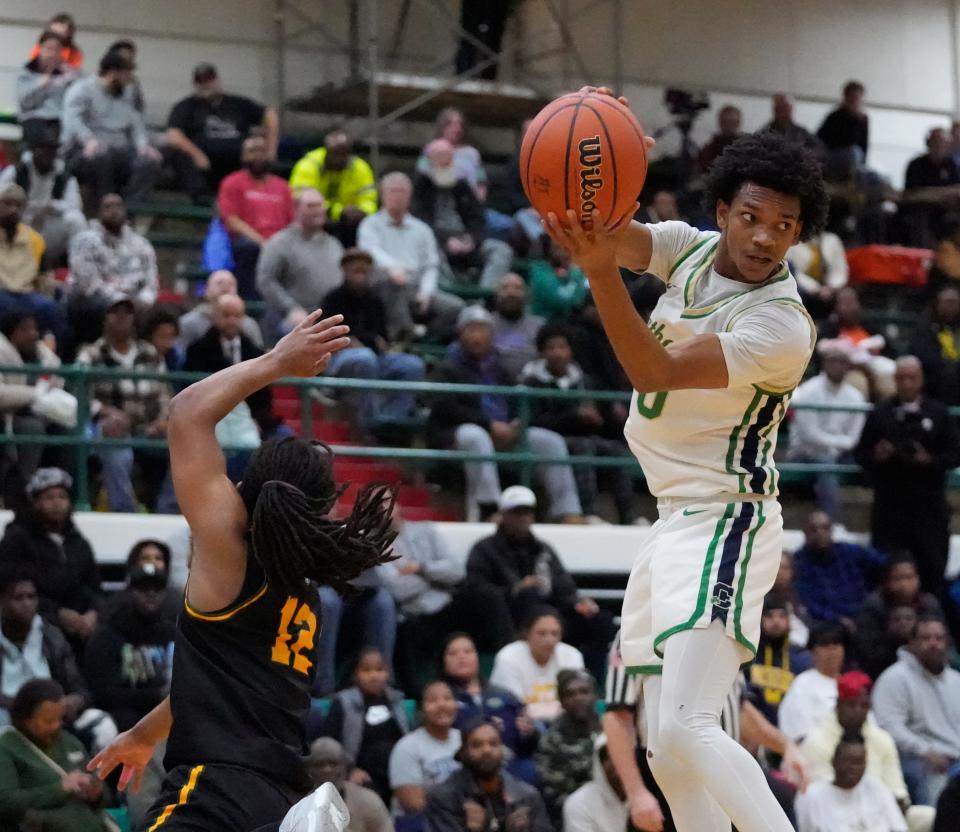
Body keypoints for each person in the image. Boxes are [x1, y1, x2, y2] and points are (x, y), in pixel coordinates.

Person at [544, 104, 828, 829]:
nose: (767, 237)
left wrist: (601, 276)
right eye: (753, 216)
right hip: (674, 520)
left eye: (786, 226)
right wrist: (601, 172)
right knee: (666, 745)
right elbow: (605, 233)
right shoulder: (691, 249)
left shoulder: (780, 324)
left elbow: (655, 371)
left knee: (690, 726)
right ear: (723, 210)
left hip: (727, 516)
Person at [87, 309, 398, 830]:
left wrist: (276, 362)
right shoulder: (306, 595)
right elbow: (213, 684)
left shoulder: (228, 549)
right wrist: (145, 735)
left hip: (212, 789)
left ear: (247, 490)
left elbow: (186, 413)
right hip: (276, 797)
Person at [428, 308, 583, 522]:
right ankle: (489, 508)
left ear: (491, 335)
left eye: (482, 330)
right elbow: (445, 409)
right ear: (461, 334)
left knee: (550, 442)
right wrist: (488, 424)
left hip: (504, 432)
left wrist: (517, 422)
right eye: (471, 330)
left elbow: (518, 401)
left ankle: (567, 510)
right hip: (460, 434)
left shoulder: (501, 367)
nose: (476, 336)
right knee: (476, 436)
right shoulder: (448, 367)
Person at [465, 488, 611, 673]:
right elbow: (476, 590)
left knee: (600, 619)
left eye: (526, 512)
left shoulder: (544, 550)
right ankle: (518, 662)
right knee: (528, 594)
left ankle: (591, 680)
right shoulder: (484, 550)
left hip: (551, 616)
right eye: (516, 512)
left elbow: (564, 586)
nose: (523, 518)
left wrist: (579, 603)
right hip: (508, 618)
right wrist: (515, 590)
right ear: (503, 515)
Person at [855, 356, 960, 600]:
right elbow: (861, 455)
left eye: (912, 377)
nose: (907, 383)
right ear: (895, 380)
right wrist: (877, 455)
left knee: (932, 570)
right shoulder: (880, 413)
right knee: (887, 568)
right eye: (901, 378)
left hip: (929, 508)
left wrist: (928, 460)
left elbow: (953, 455)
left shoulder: (938, 413)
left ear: (921, 380)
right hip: (890, 507)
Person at [382, 505, 515, 691]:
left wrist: (422, 569)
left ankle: (510, 658)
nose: (383, 508)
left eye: (387, 501)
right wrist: (436, 580)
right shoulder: (371, 543)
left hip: (446, 606)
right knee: (405, 629)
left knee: (488, 596)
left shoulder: (426, 530)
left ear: (397, 506)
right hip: (415, 614)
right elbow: (395, 588)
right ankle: (418, 696)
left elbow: (457, 571)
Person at [520, 322, 636, 524]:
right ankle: (588, 512)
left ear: (571, 350)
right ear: (541, 352)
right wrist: (574, 417)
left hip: (587, 436)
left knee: (616, 450)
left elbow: (605, 416)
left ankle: (629, 517)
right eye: (551, 347)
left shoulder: (585, 381)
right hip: (553, 441)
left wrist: (606, 416)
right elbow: (534, 420)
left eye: (562, 347)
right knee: (583, 448)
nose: (557, 353)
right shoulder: (531, 382)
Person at [801, 671, 936, 832]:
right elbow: (825, 794)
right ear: (838, 703)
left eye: (864, 705)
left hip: (881, 813)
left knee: (931, 815)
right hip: (834, 818)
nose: (857, 711)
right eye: (851, 704)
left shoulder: (882, 740)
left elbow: (898, 792)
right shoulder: (816, 741)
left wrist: (890, 806)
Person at [76, 298, 175, 514]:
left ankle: (168, 509)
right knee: (116, 444)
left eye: (127, 313)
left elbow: (164, 392)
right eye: (115, 312)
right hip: (111, 426)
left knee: (185, 440)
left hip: (149, 426)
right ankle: (125, 511)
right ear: (104, 318)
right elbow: (80, 396)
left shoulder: (149, 352)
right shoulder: (91, 353)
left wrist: (162, 418)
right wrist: (105, 412)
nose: (121, 318)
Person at [319, 248, 426, 433]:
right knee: (364, 357)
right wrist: (350, 340)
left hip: (374, 355)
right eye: (356, 271)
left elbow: (381, 336)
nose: (361, 276)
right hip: (339, 358)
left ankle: (391, 422)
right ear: (345, 271)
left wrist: (383, 343)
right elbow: (327, 335)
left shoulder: (375, 300)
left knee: (412, 365)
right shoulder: (332, 299)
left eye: (365, 272)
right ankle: (367, 421)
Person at [358, 171, 465, 341]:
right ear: (383, 195)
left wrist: (426, 292)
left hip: (416, 286)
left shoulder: (422, 229)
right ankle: (403, 338)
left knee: (456, 307)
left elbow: (431, 265)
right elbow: (371, 252)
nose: (398, 196)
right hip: (383, 284)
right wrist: (392, 267)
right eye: (393, 191)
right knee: (394, 284)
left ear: (410, 195)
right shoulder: (369, 225)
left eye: (402, 191)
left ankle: (425, 340)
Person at [0, 469, 99, 643]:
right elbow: (12, 589)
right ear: (35, 503)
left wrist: (93, 613)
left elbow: (95, 588)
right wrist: (58, 614)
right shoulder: (17, 539)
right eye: (49, 498)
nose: (56, 503)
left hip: (82, 631)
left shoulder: (78, 542)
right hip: (35, 631)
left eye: (62, 497)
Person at [872, 616, 960, 806]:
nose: (933, 644)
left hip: (956, 758)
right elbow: (888, 727)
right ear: (912, 643)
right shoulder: (894, 678)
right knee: (931, 775)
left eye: (939, 638)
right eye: (926, 638)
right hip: (918, 760)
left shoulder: (956, 680)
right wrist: (925, 750)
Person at [0, 679, 107, 832]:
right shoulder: (6, 747)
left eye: (60, 719)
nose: (56, 725)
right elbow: (5, 802)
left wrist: (96, 793)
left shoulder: (69, 741)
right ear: (26, 719)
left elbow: (103, 796)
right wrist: (59, 789)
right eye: (48, 721)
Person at [62, 50, 161, 211]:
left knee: (150, 161)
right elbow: (72, 120)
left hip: (119, 149)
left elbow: (136, 123)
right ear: (113, 73)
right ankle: (105, 207)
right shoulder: (82, 89)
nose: (130, 78)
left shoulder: (128, 93)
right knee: (101, 157)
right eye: (126, 72)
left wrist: (143, 146)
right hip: (86, 149)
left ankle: (130, 210)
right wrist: (88, 139)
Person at [83, 561, 175, 733]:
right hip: (123, 717)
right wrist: (154, 696)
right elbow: (103, 693)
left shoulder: (173, 634)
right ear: (129, 592)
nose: (151, 594)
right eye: (143, 588)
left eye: (157, 588)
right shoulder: (107, 636)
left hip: (167, 714)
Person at [166, 62, 279, 198]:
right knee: (178, 154)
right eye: (200, 81)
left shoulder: (238, 103)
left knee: (256, 151)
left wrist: (271, 150)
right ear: (194, 84)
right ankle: (201, 200)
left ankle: (257, 196)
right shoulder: (185, 106)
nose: (205, 85)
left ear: (217, 81)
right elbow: (173, 135)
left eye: (209, 80)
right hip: (205, 162)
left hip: (238, 159)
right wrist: (197, 155)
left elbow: (270, 115)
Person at [412, 139, 512, 290]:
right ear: (430, 159)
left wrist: (471, 239)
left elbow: (477, 218)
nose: (445, 161)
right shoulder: (420, 186)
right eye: (440, 156)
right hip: (437, 242)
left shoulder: (461, 184)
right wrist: (446, 240)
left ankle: (484, 296)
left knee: (501, 250)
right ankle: (453, 295)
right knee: (432, 255)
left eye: (449, 156)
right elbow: (420, 221)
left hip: (466, 241)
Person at [440, 633, 539, 783]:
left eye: (468, 652)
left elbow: (528, 745)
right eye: (453, 653)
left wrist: (529, 733)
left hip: (511, 762)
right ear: (443, 662)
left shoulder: (504, 695)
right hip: (465, 766)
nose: (462, 657)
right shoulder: (441, 699)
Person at [424, 719, 551, 832]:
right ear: (462, 753)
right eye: (477, 745)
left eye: (493, 744)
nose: (487, 750)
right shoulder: (442, 799)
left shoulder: (527, 796)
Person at [184, 293, 281, 440]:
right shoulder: (197, 351)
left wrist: (256, 420)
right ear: (214, 316)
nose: (231, 321)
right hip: (209, 418)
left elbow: (263, 396)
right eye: (226, 315)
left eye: (237, 316)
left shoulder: (255, 352)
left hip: (251, 418)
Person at [66, 192, 158, 346]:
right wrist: (122, 301)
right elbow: (89, 285)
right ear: (99, 212)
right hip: (94, 300)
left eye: (118, 206)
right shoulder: (84, 241)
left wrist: (143, 301)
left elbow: (151, 282)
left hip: (133, 301)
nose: (114, 210)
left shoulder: (141, 244)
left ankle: (147, 359)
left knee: (161, 314)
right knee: (107, 309)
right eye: (108, 206)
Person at [0, 571, 91, 725]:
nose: (27, 604)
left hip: (54, 713)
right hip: (7, 714)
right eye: (19, 598)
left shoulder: (52, 637)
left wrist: (75, 700)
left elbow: (78, 687)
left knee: (101, 724)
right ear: (2, 601)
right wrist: (26, 708)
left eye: (31, 597)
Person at [786, 342, 865, 519]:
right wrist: (835, 446)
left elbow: (853, 439)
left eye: (842, 361)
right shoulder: (808, 391)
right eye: (833, 361)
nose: (838, 365)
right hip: (803, 454)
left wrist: (835, 448)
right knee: (826, 462)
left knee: (873, 462)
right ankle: (833, 523)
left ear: (848, 365)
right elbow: (809, 436)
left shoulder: (855, 396)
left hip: (842, 454)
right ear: (824, 363)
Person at [320, 647, 409, 805]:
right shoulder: (343, 702)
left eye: (379, 669)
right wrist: (349, 771)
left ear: (388, 673)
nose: (374, 676)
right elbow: (329, 744)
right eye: (366, 670)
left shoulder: (396, 701)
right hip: (360, 777)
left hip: (397, 774)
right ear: (355, 674)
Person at [256, 188, 344, 341]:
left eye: (320, 205)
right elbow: (266, 281)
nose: (317, 210)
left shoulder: (334, 244)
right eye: (311, 206)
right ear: (296, 209)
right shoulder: (280, 243)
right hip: (292, 318)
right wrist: (291, 308)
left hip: (330, 317)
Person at [0, 312, 70, 500]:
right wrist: (35, 394)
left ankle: (63, 493)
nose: (32, 334)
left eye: (34, 329)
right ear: (11, 333)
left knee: (69, 430)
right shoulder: (2, 351)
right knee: (32, 428)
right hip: (10, 415)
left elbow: (58, 380)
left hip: (46, 412)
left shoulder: (43, 355)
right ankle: (24, 495)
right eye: (24, 329)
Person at [218, 134, 294, 298]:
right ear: (244, 156)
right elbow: (231, 220)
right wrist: (262, 242)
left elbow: (292, 222)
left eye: (263, 151)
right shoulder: (232, 182)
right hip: (248, 243)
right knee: (248, 248)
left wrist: (277, 244)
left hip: (280, 243)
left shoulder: (283, 187)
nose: (258, 156)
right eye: (252, 151)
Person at [0, 124, 86, 267]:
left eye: (52, 150)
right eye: (43, 149)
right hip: (20, 223)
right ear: (34, 150)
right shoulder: (16, 171)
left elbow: (75, 205)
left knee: (76, 219)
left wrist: (50, 207)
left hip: (48, 227)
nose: (47, 154)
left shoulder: (64, 176)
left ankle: (76, 267)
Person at [856, 554, 945, 681]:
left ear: (918, 579)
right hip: (884, 669)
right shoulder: (874, 606)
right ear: (887, 581)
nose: (904, 584)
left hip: (929, 666)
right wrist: (894, 638)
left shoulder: (929, 603)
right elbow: (867, 652)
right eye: (898, 578)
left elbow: (946, 640)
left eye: (909, 577)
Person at [795, 732, 908, 832]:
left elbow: (899, 827)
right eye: (848, 762)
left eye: (859, 762)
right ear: (834, 761)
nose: (853, 768)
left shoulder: (877, 788)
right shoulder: (811, 795)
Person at [489, 607, 585, 722]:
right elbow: (515, 707)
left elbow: (577, 701)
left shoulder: (572, 655)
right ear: (527, 634)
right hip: (520, 723)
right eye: (542, 633)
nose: (549, 640)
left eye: (555, 634)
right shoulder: (508, 657)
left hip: (563, 723)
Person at [791, 510, 885, 626]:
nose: (820, 533)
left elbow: (886, 563)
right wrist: (836, 619)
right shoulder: (798, 562)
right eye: (813, 529)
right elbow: (806, 601)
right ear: (805, 533)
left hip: (860, 614)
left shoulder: (850, 551)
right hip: (821, 621)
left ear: (831, 530)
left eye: (825, 528)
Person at [388, 680, 462, 825]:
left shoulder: (463, 740)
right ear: (421, 709)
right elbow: (412, 804)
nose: (442, 705)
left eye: (447, 698)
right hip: (420, 823)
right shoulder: (407, 747)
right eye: (433, 700)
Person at [0, 183, 66, 343]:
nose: (13, 210)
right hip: (1, 293)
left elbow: (43, 277)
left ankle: (55, 364)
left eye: (18, 205)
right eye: (7, 204)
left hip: (27, 294)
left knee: (51, 308)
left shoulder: (35, 239)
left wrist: (52, 288)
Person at [289, 129, 377, 247]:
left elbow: (369, 200)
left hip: (348, 223)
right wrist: (339, 211)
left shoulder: (361, 168)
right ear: (326, 150)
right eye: (335, 153)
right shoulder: (308, 165)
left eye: (343, 154)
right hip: (317, 217)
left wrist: (362, 211)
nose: (339, 158)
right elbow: (300, 200)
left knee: (359, 224)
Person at [535, 669, 600, 824]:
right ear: (561, 701)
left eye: (584, 692)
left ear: (595, 695)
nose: (578, 698)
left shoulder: (612, 728)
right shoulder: (551, 740)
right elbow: (554, 794)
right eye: (570, 694)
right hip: (577, 813)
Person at [749, 592, 813, 726]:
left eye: (782, 616)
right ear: (760, 620)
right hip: (754, 728)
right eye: (769, 616)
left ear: (789, 621)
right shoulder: (748, 656)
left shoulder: (801, 658)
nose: (776, 621)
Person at [778, 622, 848, 743]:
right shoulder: (802, 684)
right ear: (812, 652)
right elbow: (798, 732)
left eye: (836, 644)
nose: (832, 650)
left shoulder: (849, 683)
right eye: (825, 645)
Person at [306, 737, 393, 832]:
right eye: (319, 764)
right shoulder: (298, 803)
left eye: (333, 764)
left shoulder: (368, 801)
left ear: (344, 767)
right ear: (309, 769)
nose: (327, 770)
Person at [15, 29, 77, 143]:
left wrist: (70, 81)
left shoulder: (68, 75)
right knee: (40, 136)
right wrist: (39, 86)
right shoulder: (26, 73)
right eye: (49, 49)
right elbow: (24, 103)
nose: (52, 54)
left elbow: (74, 104)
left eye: (57, 50)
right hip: (34, 119)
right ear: (40, 49)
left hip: (59, 120)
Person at [178, 268, 263, 349]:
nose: (225, 287)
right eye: (219, 283)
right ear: (206, 290)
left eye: (230, 284)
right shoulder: (189, 323)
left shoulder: (249, 325)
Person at [902, 127, 960, 246]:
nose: (939, 146)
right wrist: (941, 193)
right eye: (936, 142)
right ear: (928, 143)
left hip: (945, 210)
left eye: (943, 142)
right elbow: (912, 194)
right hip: (920, 211)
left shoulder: (951, 165)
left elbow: (956, 190)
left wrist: (934, 193)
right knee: (920, 217)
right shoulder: (916, 165)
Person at [911, 284, 960, 406]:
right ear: (938, 303)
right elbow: (922, 355)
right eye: (948, 302)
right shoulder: (925, 327)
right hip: (934, 380)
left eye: (955, 302)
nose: (951, 306)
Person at [490, 273, 545, 380]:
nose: (511, 293)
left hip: (532, 384)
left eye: (517, 288)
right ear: (496, 294)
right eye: (505, 288)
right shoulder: (486, 323)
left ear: (526, 294)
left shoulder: (540, 325)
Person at [787, 231, 849, 318]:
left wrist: (832, 287)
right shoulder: (790, 242)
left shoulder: (832, 240)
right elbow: (794, 273)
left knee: (847, 296)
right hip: (804, 290)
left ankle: (838, 326)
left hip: (831, 290)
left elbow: (840, 269)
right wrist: (816, 289)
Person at [817, 81, 870, 181]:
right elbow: (819, 140)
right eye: (852, 97)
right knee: (854, 152)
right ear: (846, 97)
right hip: (833, 158)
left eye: (857, 97)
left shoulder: (863, 120)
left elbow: (864, 146)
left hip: (854, 161)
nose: (855, 100)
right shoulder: (835, 117)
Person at [527, 241, 589, 322]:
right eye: (559, 247)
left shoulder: (576, 271)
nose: (565, 251)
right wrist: (576, 275)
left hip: (573, 323)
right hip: (545, 324)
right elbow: (564, 301)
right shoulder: (540, 273)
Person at [697, 105, 743, 172]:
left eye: (733, 122)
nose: (729, 126)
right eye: (726, 122)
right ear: (720, 123)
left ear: (739, 123)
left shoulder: (747, 149)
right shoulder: (709, 150)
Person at [145, 307, 184, 373]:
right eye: (163, 337)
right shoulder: (140, 357)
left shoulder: (175, 359)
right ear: (150, 336)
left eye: (171, 338)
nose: (167, 344)